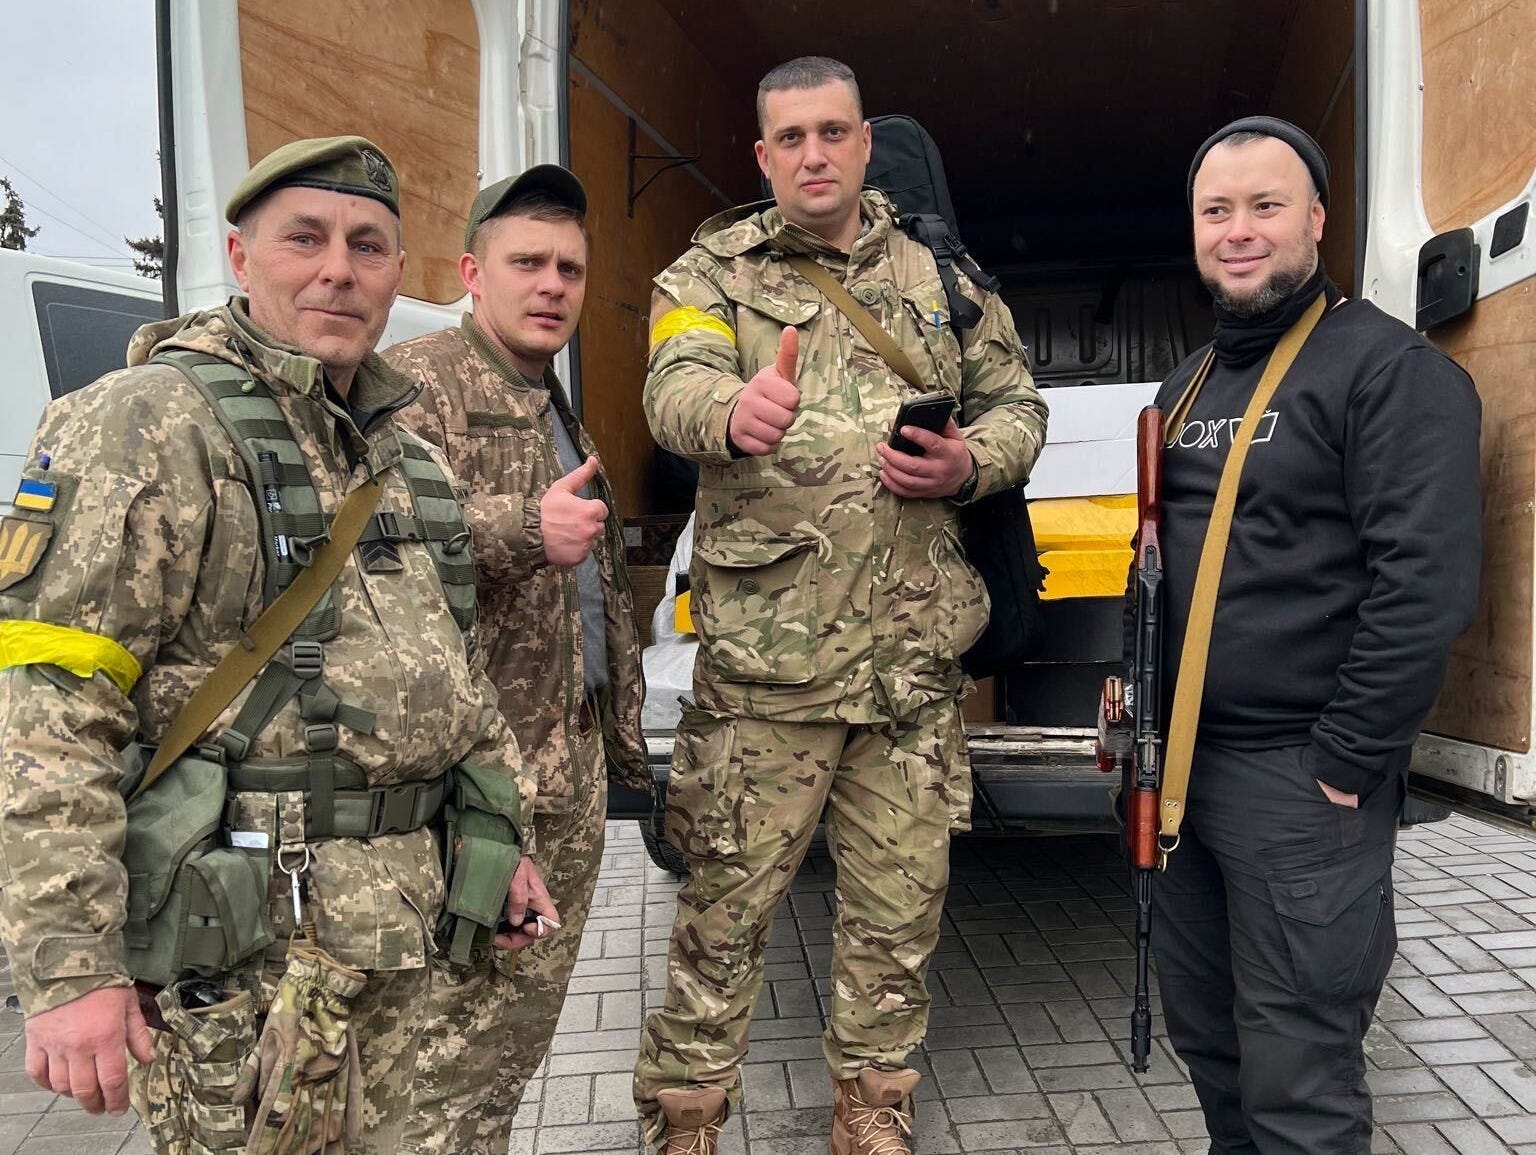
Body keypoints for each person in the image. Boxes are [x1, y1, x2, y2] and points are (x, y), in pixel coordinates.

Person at [0, 136, 551, 1154]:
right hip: (255, 956)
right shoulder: (143, 426)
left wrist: (505, 831)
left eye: (369, 245)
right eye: (306, 237)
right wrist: (71, 965)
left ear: (396, 275)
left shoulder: (404, 456)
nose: (339, 267)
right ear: (241, 258)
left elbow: (457, 675)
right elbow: (48, 709)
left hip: (412, 940)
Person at [634, 56, 1048, 1155]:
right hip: (767, 682)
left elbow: (1018, 405)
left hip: (910, 674)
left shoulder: (944, 278)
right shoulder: (707, 274)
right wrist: (733, 409)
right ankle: (686, 1118)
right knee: (722, 917)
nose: (813, 156)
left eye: (832, 133)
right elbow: (671, 388)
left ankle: (872, 1110)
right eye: (790, 139)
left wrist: (970, 465)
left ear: (866, 143)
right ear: (762, 156)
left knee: (895, 918)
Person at [1147, 116, 1481, 1152]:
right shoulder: (1187, 384)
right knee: (1211, 1044)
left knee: (1301, 1068)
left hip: (1302, 781)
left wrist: (1348, 758)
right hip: (1183, 775)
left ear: (1317, 221)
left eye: (1265, 206)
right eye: (1217, 210)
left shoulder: (1388, 371)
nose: (1238, 230)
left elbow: (1423, 582)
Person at [383, 165, 651, 1154]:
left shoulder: (549, 402)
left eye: (569, 268)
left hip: (564, 773)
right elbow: (378, 559)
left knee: (512, 1045)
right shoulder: (419, 387)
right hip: (476, 792)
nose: (552, 285)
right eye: (526, 263)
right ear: (471, 270)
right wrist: (516, 527)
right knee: (454, 1055)